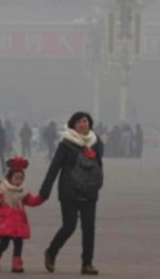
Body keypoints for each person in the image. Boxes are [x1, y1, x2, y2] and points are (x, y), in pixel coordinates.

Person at [40, 111, 103, 276]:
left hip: (89, 191)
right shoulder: (66, 144)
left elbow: (98, 167)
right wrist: (45, 190)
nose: (83, 124)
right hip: (69, 191)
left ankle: (87, 263)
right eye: (80, 122)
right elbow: (54, 168)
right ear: (73, 125)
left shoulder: (95, 143)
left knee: (89, 228)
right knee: (69, 226)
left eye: (86, 121)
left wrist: (97, 184)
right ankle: (52, 252)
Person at [0, 156, 43, 273]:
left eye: (21, 179)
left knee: (18, 243)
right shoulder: (2, 191)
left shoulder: (23, 192)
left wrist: (41, 198)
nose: (18, 181)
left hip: (18, 223)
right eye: (16, 178)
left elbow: (31, 201)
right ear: (10, 178)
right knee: (4, 243)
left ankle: (17, 264)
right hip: (5, 223)